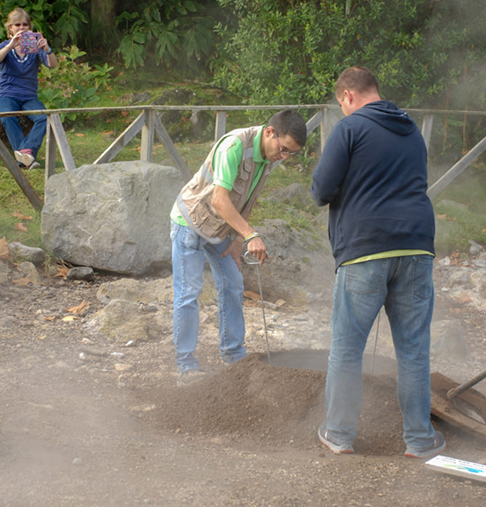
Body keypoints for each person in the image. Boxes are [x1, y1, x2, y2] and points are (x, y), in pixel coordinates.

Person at [310, 66, 444, 458]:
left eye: (341, 104)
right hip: (418, 248)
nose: (343, 110)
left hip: (366, 250)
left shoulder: (349, 129)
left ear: (348, 96)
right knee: (414, 350)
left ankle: (338, 433)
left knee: (348, 348)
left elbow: (320, 190)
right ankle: (419, 440)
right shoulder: (412, 130)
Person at [171, 109, 307, 385]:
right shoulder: (234, 146)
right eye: (284, 149)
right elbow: (221, 200)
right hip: (191, 223)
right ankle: (186, 366)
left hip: (221, 229)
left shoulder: (269, 156)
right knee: (189, 293)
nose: (284, 157)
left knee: (233, 284)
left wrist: (235, 240)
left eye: (290, 154)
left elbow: (248, 198)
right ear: (270, 132)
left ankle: (234, 356)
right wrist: (249, 235)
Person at [0, 8, 58, 170]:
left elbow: (52, 64)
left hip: (29, 97)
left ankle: (25, 152)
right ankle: (26, 158)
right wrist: (10, 46)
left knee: (44, 117)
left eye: (25, 24)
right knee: (7, 116)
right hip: (6, 95)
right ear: (10, 28)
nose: (21, 28)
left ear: (30, 27)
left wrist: (47, 49)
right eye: (17, 25)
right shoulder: (5, 45)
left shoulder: (34, 47)